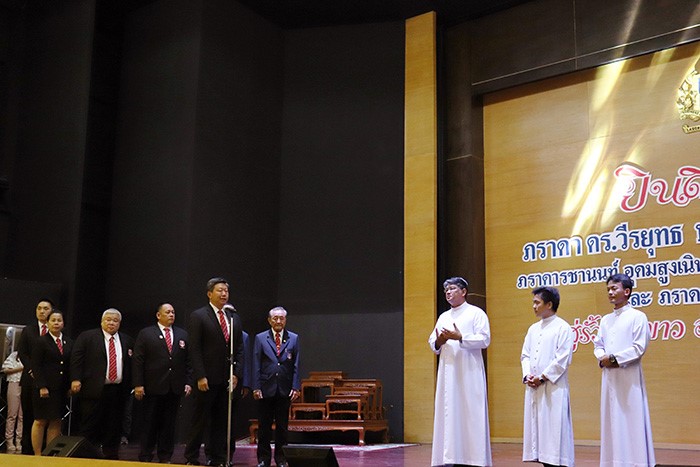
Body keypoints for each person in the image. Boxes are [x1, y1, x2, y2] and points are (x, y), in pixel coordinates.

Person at [428, 277, 492, 467]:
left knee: (470, 413)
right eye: (446, 290)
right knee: (450, 413)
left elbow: (484, 339)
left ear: (463, 292)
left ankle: (474, 459)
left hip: (469, 372)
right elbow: (433, 342)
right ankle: (450, 457)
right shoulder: (443, 317)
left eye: (452, 288)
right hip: (448, 372)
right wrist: (440, 341)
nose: (448, 292)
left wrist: (461, 337)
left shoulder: (476, 313)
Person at [593, 273, 655, 467]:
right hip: (609, 377)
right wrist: (602, 357)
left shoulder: (638, 316)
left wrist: (613, 359)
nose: (610, 293)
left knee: (631, 419)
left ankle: (635, 462)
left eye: (614, 288)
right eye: (608, 289)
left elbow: (638, 348)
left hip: (629, 378)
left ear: (626, 291)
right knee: (611, 420)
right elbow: (598, 344)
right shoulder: (605, 320)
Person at [184, 277, 244, 466]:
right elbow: (194, 348)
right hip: (206, 378)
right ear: (209, 293)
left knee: (221, 422)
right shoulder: (199, 315)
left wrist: (236, 373)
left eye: (226, 290)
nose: (224, 294)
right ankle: (191, 457)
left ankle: (218, 458)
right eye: (220, 290)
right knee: (200, 420)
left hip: (226, 379)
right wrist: (200, 375)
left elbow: (239, 348)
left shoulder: (233, 317)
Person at [521, 286, 574, 467]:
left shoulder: (563, 327)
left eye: (537, 302)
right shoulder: (533, 329)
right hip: (534, 387)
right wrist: (527, 375)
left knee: (554, 432)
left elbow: (562, 359)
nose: (534, 306)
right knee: (539, 433)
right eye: (533, 302)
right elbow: (525, 355)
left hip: (553, 388)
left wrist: (542, 377)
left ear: (549, 304)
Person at [70, 308, 134, 459]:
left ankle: (111, 457)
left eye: (115, 320)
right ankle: (86, 456)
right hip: (93, 389)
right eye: (108, 320)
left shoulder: (127, 340)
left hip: (117, 390)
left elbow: (132, 364)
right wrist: (75, 379)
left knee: (114, 426)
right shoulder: (87, 337)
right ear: (101, 322)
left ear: (119, 323)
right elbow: (76, 359)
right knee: (89, 424)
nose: (111, 323)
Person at [132, 302, 192, 463]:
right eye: (168, 312)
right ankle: (146, 455)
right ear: (158, 315)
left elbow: (188, 361)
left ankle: (165, 456)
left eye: (173, 312)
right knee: (149, 423)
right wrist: (138, 384)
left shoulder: (182, 334)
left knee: (169, 425)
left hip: (174, 387)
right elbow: (138, 361)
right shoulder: (146, 333)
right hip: (152, 387)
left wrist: (188, 382)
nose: (171, 315)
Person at [252, 307, 301, 467]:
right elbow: (256, 363)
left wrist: (295, 386)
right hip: (265, 388)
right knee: (264, 427)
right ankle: (263, 459)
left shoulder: (293, 338)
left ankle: (281, 459)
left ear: (285, 320)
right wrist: (256, 387)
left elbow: (296, 364)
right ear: (269, 320)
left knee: (282, 428)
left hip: (284, 389)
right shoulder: (260, 338)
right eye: (275, 318)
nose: (278, 321)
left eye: (281, 318)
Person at [30, 309, 72, 455]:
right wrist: (42, 386)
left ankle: (49, 454)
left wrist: (69, 385)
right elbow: (36, 365)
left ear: (63, 323)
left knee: (56, 420)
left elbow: (69, 365)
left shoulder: (69, 342)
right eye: (53, 320)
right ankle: (37, 454)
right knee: (40, 420)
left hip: (60, 389)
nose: (56, 323)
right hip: (44, 388)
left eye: (59, 320)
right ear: (47, 323)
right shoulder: (41, 341)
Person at [17, 299, 53, 455]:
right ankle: (26, 451)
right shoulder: (29, 330)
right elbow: (22, 353)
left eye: (45, 308)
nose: (42, 311)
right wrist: (33, 370)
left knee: (47, 418)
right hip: (30, 380)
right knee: (29, 416)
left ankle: (45, 450)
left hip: (49, 381)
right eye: (39, 308)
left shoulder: (56, 331)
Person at [2, 350, 24, 452]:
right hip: (14, 382)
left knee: (22, 415)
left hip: (26, 384)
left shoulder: (32, 355)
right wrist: (20, 368)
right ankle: (9, 440)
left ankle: (19, 440)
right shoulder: (14, 355)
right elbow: (5, 370)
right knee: (12, 414)